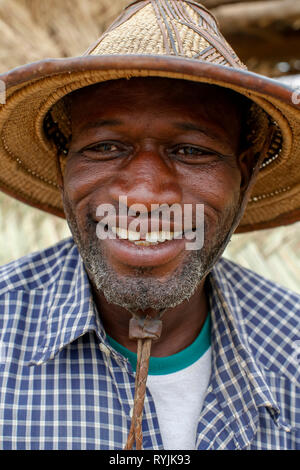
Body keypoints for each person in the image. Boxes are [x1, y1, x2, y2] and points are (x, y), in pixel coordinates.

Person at [0, 0, 299, 451]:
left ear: (246, 173)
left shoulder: (292, 347)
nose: (142, 194)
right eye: (105, 147)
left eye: (191, 151)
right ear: (64, 169)